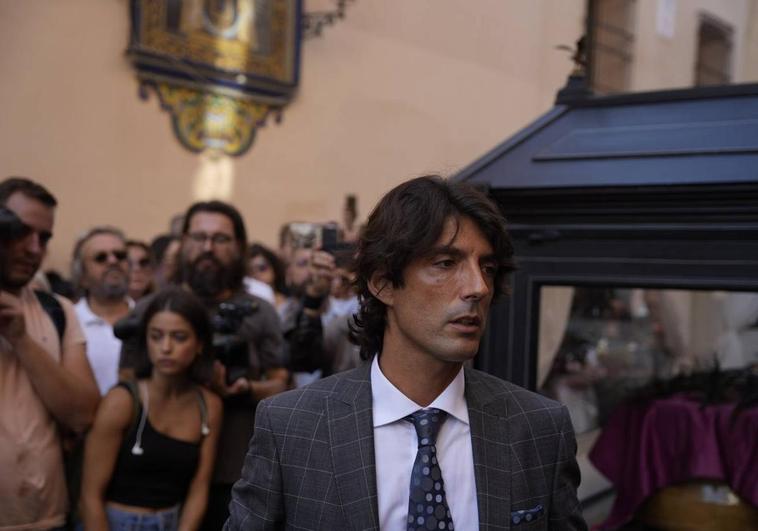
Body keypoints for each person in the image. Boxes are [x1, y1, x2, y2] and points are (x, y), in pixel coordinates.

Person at [225, 175, 586, 530]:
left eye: (487, 268)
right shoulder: (293, 427)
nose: (478, 287)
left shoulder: (538, 429)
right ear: (383, 283)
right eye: (446, 263)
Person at [120, 200, 288, 530]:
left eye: (220, 239)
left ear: (239, 247)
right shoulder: (152, 308)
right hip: (158, 473)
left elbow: (282, 381)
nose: (207, 248)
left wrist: (244, 389)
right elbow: (126, 380)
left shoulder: (259, 311)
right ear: (183, 243)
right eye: (198, 237)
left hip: (236, 472)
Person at [0, 177, 100, 529]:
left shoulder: (57, 310)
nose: (33, 248)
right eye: (21, 231)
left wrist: (22, 339)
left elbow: (83, 414)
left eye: (44, 238)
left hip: (45, 518)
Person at [81, 287, 223, 530]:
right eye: (156, 336)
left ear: (200, 343)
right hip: (116, 522)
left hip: (172, 520)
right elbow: (89, 496)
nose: (165, 348)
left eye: (179, 337)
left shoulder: (208, 405)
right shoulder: (122, 400)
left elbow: (199, 488)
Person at [72, 226, 133, 396]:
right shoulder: (68, 322)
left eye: (120, 255)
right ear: (82, 276)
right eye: (100, 258)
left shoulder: (151, 317)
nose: (112, 261)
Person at [247, 243, 288, 312]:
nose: (256, 274)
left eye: (262, 268)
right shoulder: (244, 306)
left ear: (274, 269)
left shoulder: (289, 305)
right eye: (250, 271)